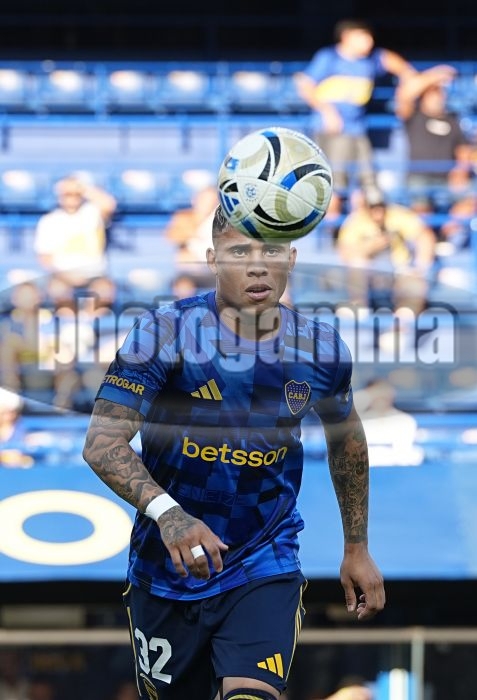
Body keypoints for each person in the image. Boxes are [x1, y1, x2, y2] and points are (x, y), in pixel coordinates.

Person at [83, 205, 385, 700]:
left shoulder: (322, 349)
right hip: (166, 570)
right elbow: (101, 443)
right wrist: (170, 515)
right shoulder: (164, 333)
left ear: (291, 258)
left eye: (271, 251)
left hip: (265, 557)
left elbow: (347, 440)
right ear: (213, 260)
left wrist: (356, 547)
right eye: (240, 252)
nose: (258, 266)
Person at [295, 19, 416, 194]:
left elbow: (397, 64)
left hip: (357, 129)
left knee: (368, 180)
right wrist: (328, 112)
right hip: (334, 131)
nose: (369, 41)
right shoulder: (329, 58)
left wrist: (407, 78)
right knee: (335, 183)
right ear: (347, 37)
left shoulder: (370, 60)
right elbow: (305, 84)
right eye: (363, 36)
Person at [336, 187, 436, 314]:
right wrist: (371, 247)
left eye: (380, 207)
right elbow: (345, 253)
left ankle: (402, 322)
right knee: (357, 265)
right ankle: (359, 307)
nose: (378, 212)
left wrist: (421, 266)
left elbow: (425, 237)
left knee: (415, 283)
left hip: (399, 269)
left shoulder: (399, 215)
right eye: (373, 208)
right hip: (370, 272)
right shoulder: (355, 220)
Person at [394, 64, 474, 201]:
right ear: (423, 96)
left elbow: (463, 150)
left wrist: (460, 171)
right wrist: (434, 76)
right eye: (433, 93)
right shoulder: (414, 116)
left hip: (446, 177)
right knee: (420, 203)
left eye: (440, 93)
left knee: (469, 200)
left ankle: (453, 216)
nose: (438, 97)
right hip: (419, 177)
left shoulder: (453, 120)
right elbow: (404, 95)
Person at [34, 174, 117, 290]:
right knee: (58, 290)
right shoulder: (49, 220)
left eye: (76, 194)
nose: (72, 197)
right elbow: (44, 257)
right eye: (67, 194)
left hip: (95, 274)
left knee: (104, 290)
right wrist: (65, 275)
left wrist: (82, 187)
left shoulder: (93, 212)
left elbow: (109, 204)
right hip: (63, 275)